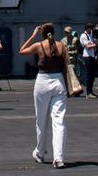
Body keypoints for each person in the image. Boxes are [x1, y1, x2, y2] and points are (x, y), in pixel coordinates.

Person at [21, 21, 73, 167]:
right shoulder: (61, 46)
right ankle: (59, 158)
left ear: (42, 33)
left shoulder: (39, 45)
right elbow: (66, 64)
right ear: (54, 32)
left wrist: (32, 35)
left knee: (41, 120)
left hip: (42, 81)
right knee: (59, 121)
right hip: (59, 82)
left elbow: (22, 50)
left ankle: (40, 152)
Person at [78, 24, 98, 96]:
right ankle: (88, 93)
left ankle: (91, 92)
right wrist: (96, 44)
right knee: (89, 75)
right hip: (87, 57)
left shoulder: (90, 35)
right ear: (87, 28)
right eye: (90, 28)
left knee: (92, 75)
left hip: (92, 56)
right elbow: (87, 46)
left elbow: (92, 47)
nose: (91, 30)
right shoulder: (83, 35)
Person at [61, 27, 84, 96]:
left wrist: (74, 53)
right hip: (66, 61)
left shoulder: (75, 40)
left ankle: (77, 91)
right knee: (66, 76)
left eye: (68, 32)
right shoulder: (63, 40)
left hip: (74, 60)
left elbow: (79, 50)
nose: (66, 33)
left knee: (75, 76)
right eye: (65, 32)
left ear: (71, 32)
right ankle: (68, 91)